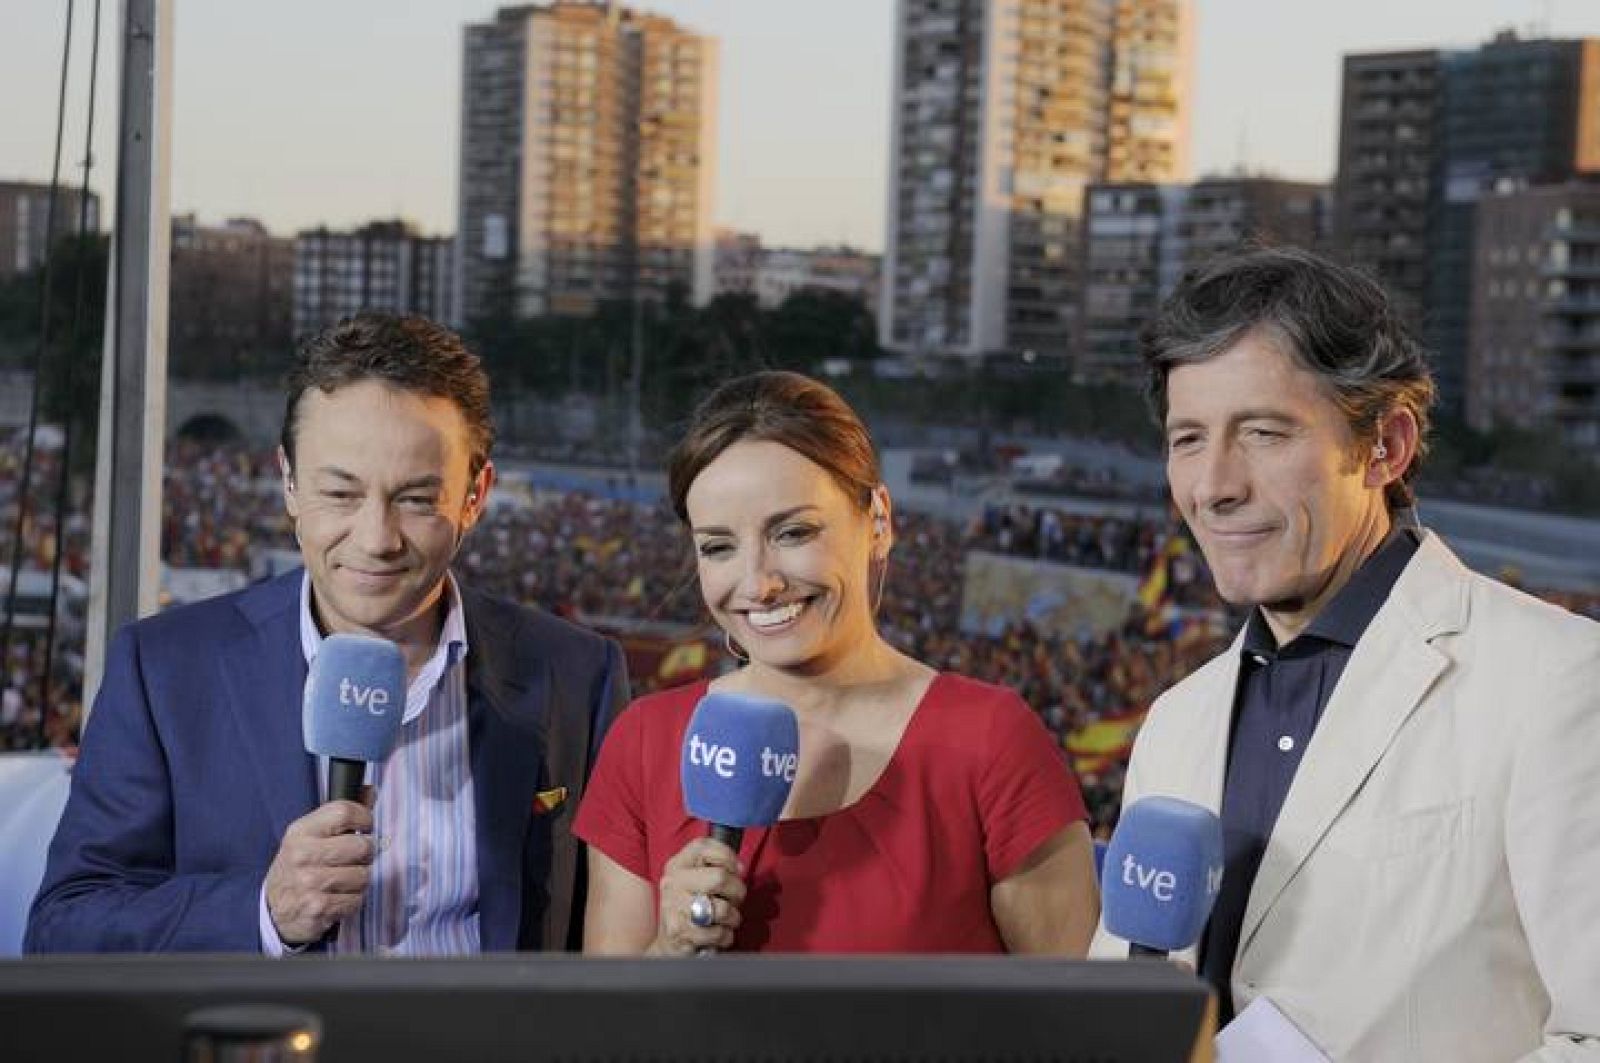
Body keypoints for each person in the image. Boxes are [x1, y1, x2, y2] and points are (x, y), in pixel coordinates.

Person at [1089, 247, 1600, 1060]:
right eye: (1188, 438)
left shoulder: (1558, 681)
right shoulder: (1176, 721)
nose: (1214, 482)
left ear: (1386, 446)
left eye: (1261, 432)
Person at [26, 313, 629, 954]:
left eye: (418, 499)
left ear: (476, 493)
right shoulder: (166, 671)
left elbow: (609, 940)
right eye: (340, 494)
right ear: (288, 482)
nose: (375, 539)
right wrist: (264, 911)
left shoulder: (578, 676)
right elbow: (65, 928)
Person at [574, 371, 1098, 955]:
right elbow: (610, 1033)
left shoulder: (988, 743)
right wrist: (669, 948)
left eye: (793, 532)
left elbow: (1080, 1022)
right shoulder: (644, 743)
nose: (760, 582)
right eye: (718, 547)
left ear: (877, 521)